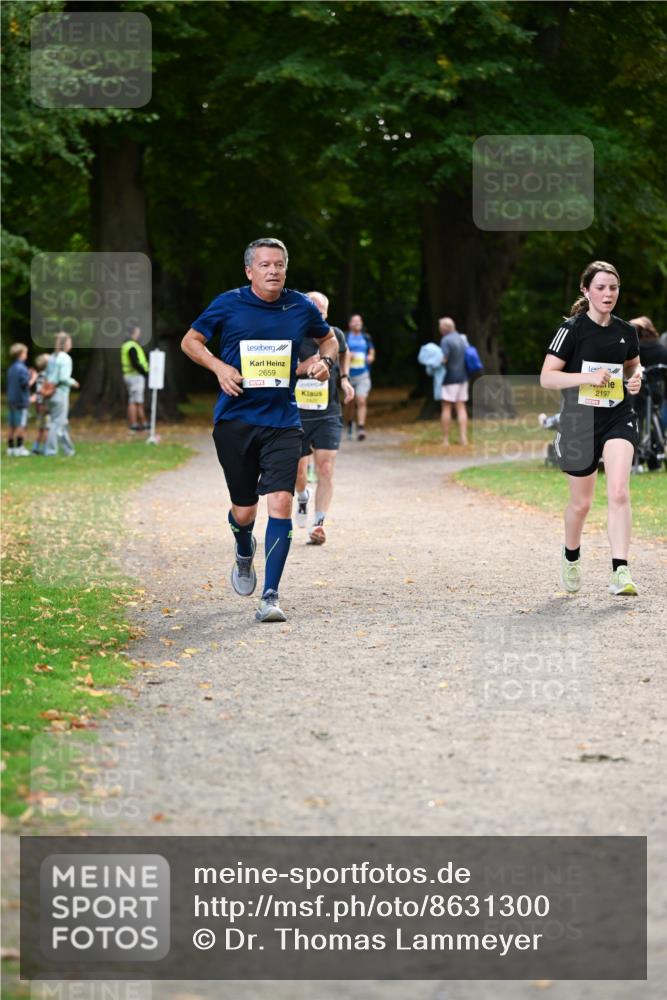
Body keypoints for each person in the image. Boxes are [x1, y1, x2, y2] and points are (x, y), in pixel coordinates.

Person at [181, 238, 338, 623]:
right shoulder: (228, 303)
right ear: (249, 271)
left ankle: (270, 594)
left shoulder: (300, 304)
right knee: (244, 509)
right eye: (265, 265)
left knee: (281, 501)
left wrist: (326, 363)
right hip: (235, 420)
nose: (274, 271)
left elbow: (328, 338)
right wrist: (219, 368)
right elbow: (190, 341)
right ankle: (242, 546)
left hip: (283, 419)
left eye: (279, 265)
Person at [540, 260, 642, 596]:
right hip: (579, 422)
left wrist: (635, 380)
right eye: (600, 287)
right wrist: (587, 377)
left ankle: (621, 571)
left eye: (613, 288)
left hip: (617, 416)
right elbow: (547, 377)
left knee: (619, 491)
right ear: (586, 290)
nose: (608, 293)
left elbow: (632, 368)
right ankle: (571, 557)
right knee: (581, 504)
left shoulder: (627, 332)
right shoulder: (572, 329)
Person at [294, 291, 355, 545]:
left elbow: (345, 352)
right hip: (296, 413)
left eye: (321, 310)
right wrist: (304, 366)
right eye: (311, 308)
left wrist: (344, 379)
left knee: (326, 468)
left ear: (326, 313)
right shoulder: (293, 334)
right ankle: (302, 497)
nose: (316, 313)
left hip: (327, 411)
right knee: (298, 474)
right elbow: (277, 370)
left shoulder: (335, 335)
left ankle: (318, 524)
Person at [44, 332, 79, 457]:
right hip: (60, 392)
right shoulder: (65, 358)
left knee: (60, 421)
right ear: (65, 344)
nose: (71, 345)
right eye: (69, 342)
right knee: (57, 423)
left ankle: (68, 449)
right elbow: (64, 378)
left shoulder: (53, 357)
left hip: (50, 393)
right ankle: (50, 450)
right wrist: (73, 382)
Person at [630, 316, 667, 429]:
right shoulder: (661, 347)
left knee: (638, 417)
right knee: (655, 415)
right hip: (657, 388)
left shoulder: (636, 347)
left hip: (639, 390)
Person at [439, 317, 469, 447]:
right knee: (461, 407)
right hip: (463, 377)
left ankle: (445, 440)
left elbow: (444, 359)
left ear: (443, 328)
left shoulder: (446, 340)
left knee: (446, 407)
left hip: (450, 378)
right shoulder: (462, 338)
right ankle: (463, 438)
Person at [345, 313, 375, 440]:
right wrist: (348, 355)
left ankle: (361, 428)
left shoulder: (366, 337)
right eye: (355, 321)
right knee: (350, 403)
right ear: (350, 324)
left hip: (363, 374)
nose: (357, 323)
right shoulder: (346, 337)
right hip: (348, 375)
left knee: (361, 400)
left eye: (359, 321)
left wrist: (370, 357)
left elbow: (372, 352)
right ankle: (350, 423)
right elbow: (339, 353)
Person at [6, 343, 35, 456]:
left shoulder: (11, 368)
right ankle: (19, 448)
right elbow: (25, 384)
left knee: (11, 425)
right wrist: (33, 377)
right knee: (21, 425)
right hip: (21, 401)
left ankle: (10, 448)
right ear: (22, 354)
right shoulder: (22, 368)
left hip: (11, 400)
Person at [121, 325, 150, 431]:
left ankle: (137, 423)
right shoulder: (132, 346)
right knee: (136, 401)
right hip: (135, 376)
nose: (139, 334)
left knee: (133, 400)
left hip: (129, 375)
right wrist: (145, 372)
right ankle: (140, 423)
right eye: (137, 332)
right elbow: (135, 362)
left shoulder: (127, 345)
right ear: (133, 333)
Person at [31, 353, 51, 455]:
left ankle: (35, 447)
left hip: (39, 405)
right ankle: (46, 448)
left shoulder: (39, 375)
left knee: (40, 429)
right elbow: (42, 392)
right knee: (47, 428)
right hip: (45, 406)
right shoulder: (47, 376)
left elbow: (38, 392)